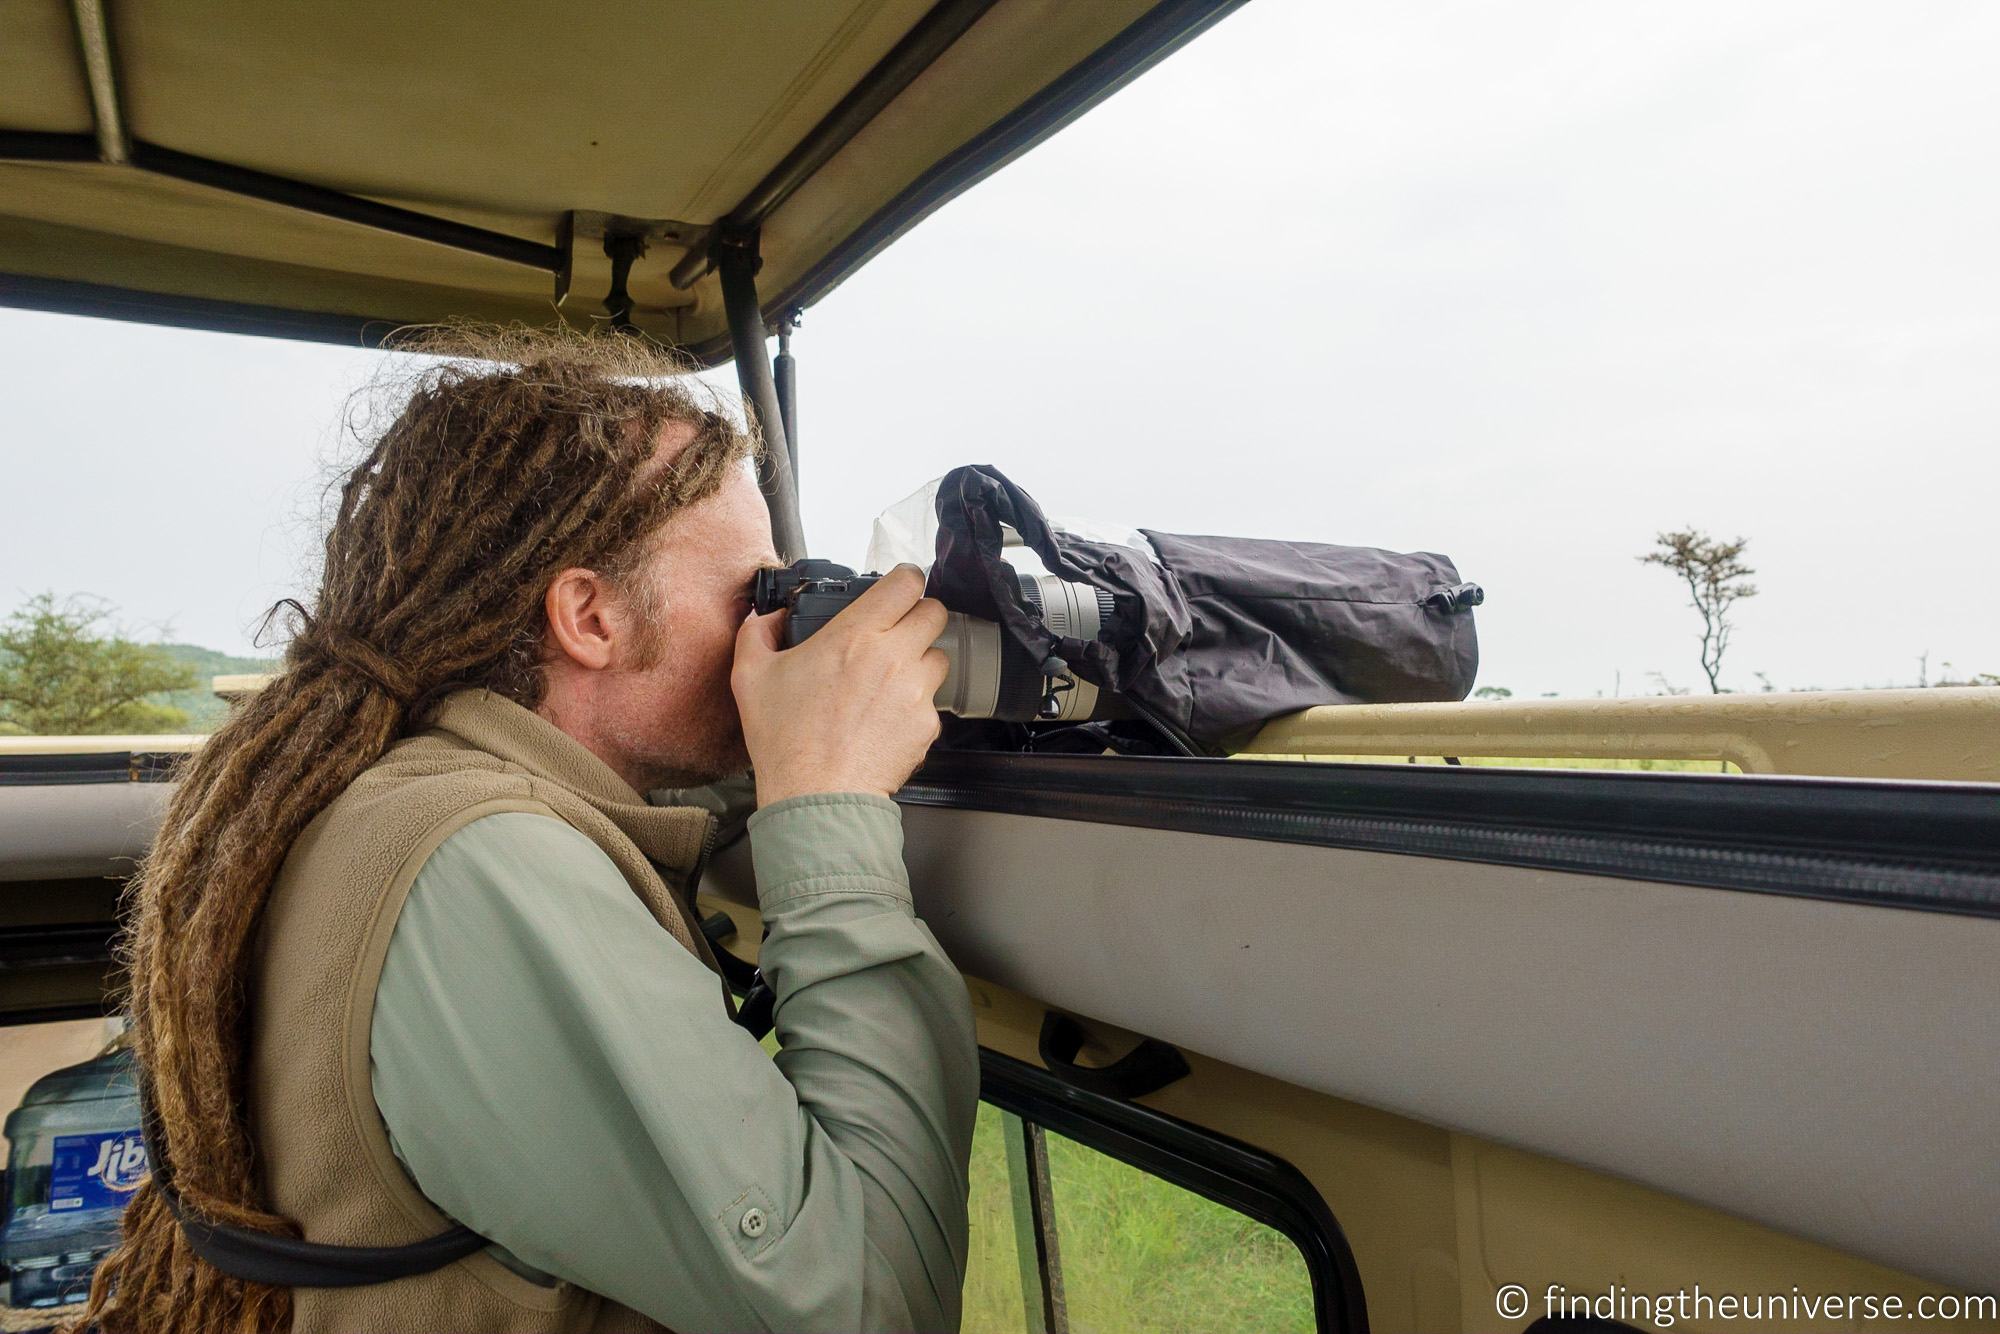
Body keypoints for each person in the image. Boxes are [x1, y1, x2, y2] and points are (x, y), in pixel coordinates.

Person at [80, 328, 977, 1334]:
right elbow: (871, 1299)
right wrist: (829, 809)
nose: (769, 626)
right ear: (589, 617)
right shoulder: (480, 858)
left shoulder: (398, 792)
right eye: (749, 592)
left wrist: (798, 745)